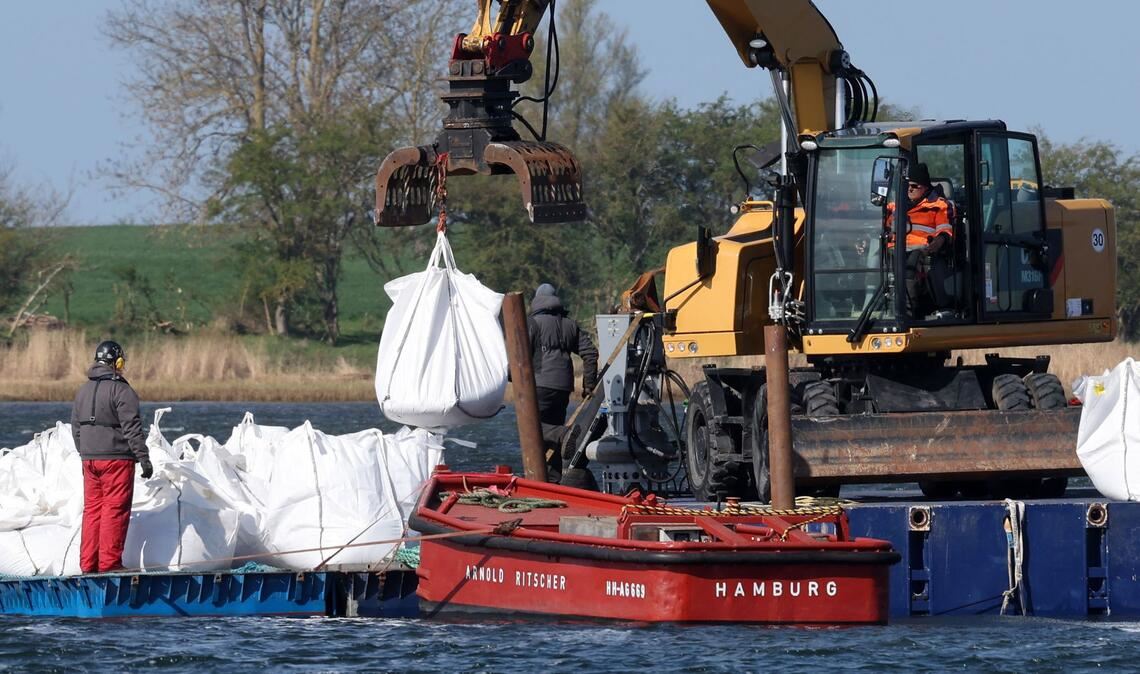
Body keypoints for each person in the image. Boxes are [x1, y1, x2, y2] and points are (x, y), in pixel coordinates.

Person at [70, 340, 153, 574]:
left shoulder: (82, 391)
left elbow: (76, 428)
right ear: (117, 362)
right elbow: (132, 428)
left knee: (93, 510)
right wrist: (143, 458)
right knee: (114, 510)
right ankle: (110, 565)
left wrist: (84, 453)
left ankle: (88, 566)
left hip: (89, 460)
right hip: (117, 459)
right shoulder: (122, 389)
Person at [528, 283, 599, 480]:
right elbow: (591, 353)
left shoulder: (531, 324)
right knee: (548, 438)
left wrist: (509, 377)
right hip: (563, 388)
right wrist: (589, 384)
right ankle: (553, 482)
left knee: (531, 428)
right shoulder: (569, 324)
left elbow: (519, 357)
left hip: (539, 386)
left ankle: (564, 434)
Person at [884, 162, 954, 315]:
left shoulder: (939, 205)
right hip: (894, 248)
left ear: (926, 187)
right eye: (907, 184)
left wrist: (937, 243)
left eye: (915, 186)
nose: (909, 189)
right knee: (873, 256)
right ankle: (869, 303)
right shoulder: (895, 206)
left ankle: (907, 312)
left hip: (921, 250)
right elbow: (882, 226)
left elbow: (945, 231)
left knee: (911, 264)